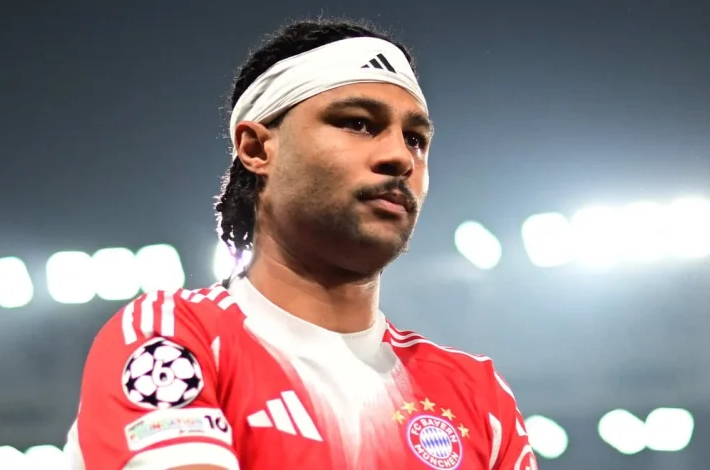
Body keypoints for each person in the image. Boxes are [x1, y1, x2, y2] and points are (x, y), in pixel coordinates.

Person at [63, 17, 538, 470]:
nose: (400, 156)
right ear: (256, 148)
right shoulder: (172, 336)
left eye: (415, 139)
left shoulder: (477, 395)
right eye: (357, 123)